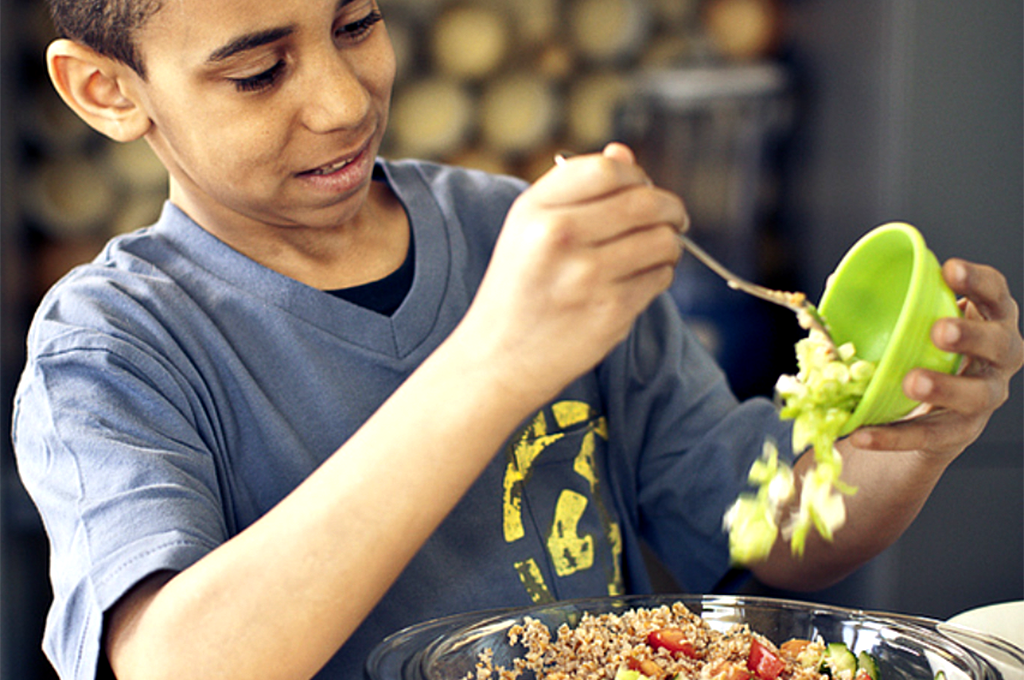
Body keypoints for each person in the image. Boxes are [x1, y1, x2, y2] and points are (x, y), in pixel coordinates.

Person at [10, 0, 1023, 678]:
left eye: (357, 22)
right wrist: (495, 361)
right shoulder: (107, 344)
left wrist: (902, 436)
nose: (343, 98)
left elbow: (763, 523)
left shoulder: (515, 233)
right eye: (258, 72)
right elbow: (174, 661)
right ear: (108, 90)